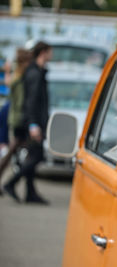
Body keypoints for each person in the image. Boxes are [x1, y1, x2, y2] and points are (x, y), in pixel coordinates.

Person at [3, 42, 52, 204]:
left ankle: (30, 193)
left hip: (32, 122)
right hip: (32, 124)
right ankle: (11, 183)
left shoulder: (36, 72)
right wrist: (33, 125)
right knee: (37, 156)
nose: (52, 55)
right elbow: (31, 102)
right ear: (43, 52)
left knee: (31, 155)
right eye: (50, 52)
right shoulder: (35, 74)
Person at [0, 49, 32, 188]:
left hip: (12, 115)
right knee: (18, 149)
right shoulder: (21, 78)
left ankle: (24, 183)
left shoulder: (16, 75)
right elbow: (20, 102)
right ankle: (15, 182)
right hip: (18, 117)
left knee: (14, 149)